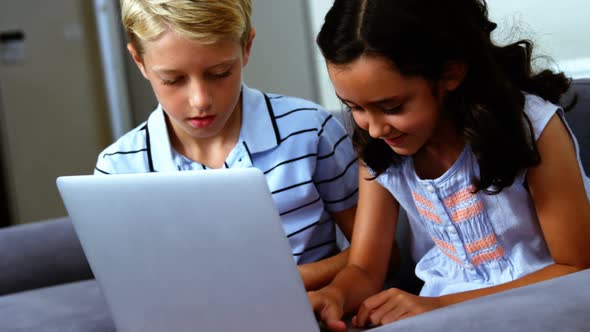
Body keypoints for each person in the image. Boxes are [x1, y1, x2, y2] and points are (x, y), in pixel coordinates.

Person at [308, 0, 590, 330]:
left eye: (392, 106)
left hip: (547, 307)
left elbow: (576, 268)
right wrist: (336, 295)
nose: (374, 128)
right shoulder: (379, 146)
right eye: (354, 107)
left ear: (451, 73)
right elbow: (365, 269)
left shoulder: (530, 125)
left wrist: (441, 306)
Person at [94, 0, 359, 291]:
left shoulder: (311, 131)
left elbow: (376, 255)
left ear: (246, 47)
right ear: (139, 62)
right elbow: (130, 285)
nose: (200, 100)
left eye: (220, 73)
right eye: (173, 80)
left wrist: (272, 285)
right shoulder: (118, 167)